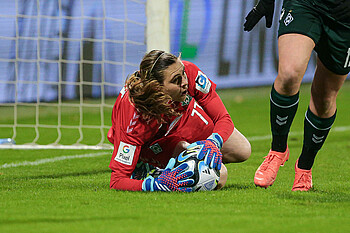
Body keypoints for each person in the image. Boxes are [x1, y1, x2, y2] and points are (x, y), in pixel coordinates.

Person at [107, 50, 251, 191]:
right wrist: (155, 185)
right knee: (219, 176)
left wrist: (214, 141)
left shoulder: (189, 73)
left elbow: (223, 118)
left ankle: (175, 163)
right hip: (155, 141)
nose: (184, 82)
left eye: (182, 73)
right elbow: (117, 181)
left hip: (182, 118)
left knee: (242, 150)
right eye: (176, 80)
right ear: (157, 88)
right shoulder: (134, 118)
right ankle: (145, 162)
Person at [244, 0, 350, 191]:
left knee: (325, 99)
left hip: (345, 18)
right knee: (289, 74)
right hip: (305, 4)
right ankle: (277, 150)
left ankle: (304, 167)